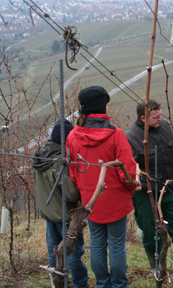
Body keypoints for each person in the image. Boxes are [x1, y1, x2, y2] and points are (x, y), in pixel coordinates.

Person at [125, 99, 173, 278]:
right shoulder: (130, 137)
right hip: (146, 195)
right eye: (156, 116)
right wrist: (137, 183)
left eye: (161, 115)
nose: (160, 118)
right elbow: (129, 166)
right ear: (143, 117)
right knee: (151, 233)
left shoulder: (166, 127)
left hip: (170, 189)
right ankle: (157, 268)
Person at [66, 86, 137, 288]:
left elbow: (73, 171)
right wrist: (132, 186)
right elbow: (128, 172)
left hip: (90, 200)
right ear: (104, 107)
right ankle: (119, 285)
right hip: (115, 200)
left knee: (97, 244)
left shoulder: (72, 136)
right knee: (116, 245)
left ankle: (102, 284)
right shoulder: (116, 135)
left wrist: (83, 191)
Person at [32, 119, 93, 288]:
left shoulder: (39, 156)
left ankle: (58, 283)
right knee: (72, 251)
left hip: (48, 212)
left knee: (54, 251)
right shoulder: (60, 161)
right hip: (65, 214)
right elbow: (71, 193)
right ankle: (81, 284)